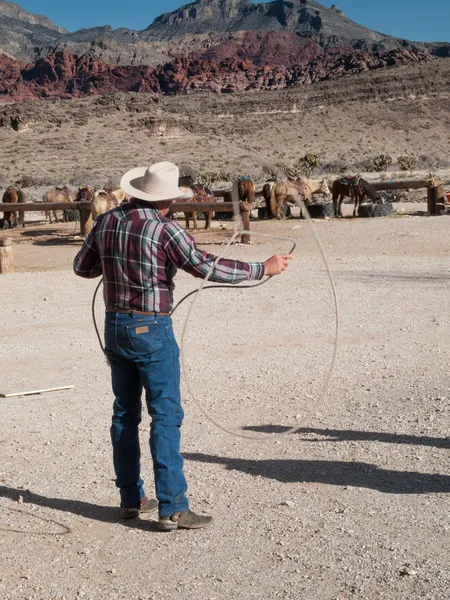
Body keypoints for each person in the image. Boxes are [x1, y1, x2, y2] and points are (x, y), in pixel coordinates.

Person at [73, 162, 292, 531]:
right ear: (168, 199)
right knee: (165, 415)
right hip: (151, 327)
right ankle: (173, 506)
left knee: (124, 414)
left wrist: (113, 262)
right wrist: (261, 269)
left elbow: (82, 267)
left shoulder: (106, 222)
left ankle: (131, 499)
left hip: (114, 325)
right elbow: (204, 266)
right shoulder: (165, 228)